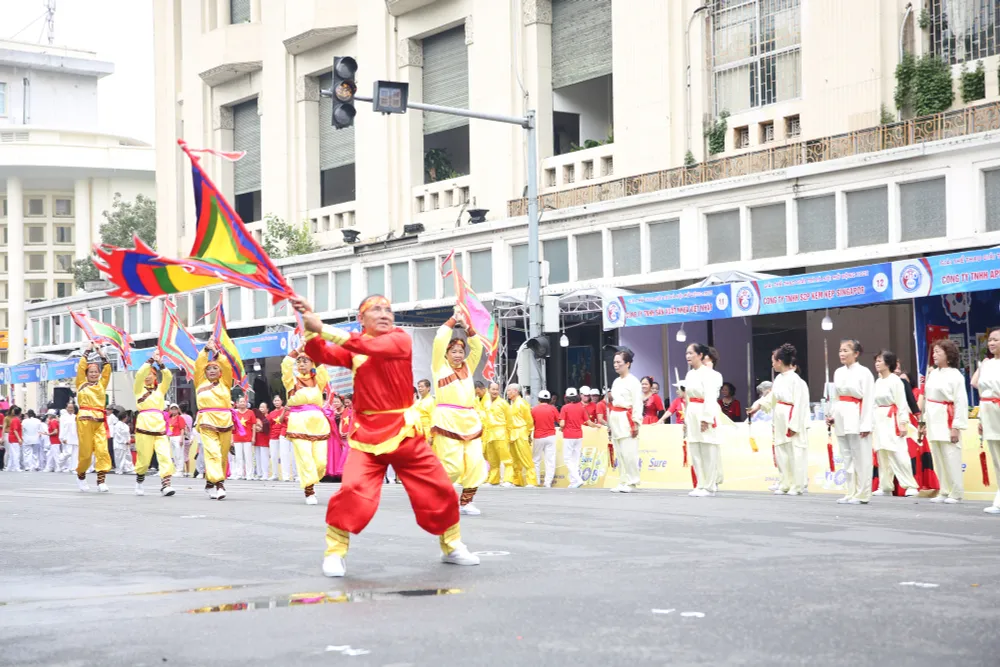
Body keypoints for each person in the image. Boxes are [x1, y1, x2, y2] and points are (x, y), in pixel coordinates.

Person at [293, 294, 478, 578]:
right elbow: (321, 354)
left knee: (439, 488)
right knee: (352, 491)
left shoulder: (399, 339)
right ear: (361, 319)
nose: (384, 314)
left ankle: (452, 545)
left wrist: (323, 327)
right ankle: (335, 552)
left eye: (388, 309)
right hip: (366, 437)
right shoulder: (356, 349)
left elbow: (365, 344)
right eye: (375, 310)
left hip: (406, 432)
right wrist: (307, 324)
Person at [430, 311, 487, 515]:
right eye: (453, 351)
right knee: (451, 465)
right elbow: (439, 340)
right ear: (446, 354)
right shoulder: (439, 367)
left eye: (460, 351)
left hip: (469, 419)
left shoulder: (468, 368)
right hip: (447, 420)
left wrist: (466, 325)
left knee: (475, 462)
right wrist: (453, 319)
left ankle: (466, 502)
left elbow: (478, 347)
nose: (457, 354)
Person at [748, 344, 809, 495]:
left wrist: (794, 424)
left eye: (773, 361)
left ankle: (797, 484)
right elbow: (772, 397)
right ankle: (785, 483)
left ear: (780, 361)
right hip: (780, 416)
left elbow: (801, 404)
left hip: (790, 415)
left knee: (795, 451)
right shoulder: (779, 379)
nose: (772, 364)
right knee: (781, 450)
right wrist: (758, 406)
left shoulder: (796, 380)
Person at [826, 339, 875, 505]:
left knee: (860, 456)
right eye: (840, 350)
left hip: (857, 414)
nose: (842, 354)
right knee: (846, 456)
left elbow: (868, 399)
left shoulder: (864, 372)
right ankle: (850, 491)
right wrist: (832, 414)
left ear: (856, 353)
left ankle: (863, 493)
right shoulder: (838, 372)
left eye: (846, 350)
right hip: (841, 415)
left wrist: (866, 424)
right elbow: (836, 397)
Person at [920, 338, 968, 504]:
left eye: (938, 352)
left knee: (951, 455)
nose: (934, 355)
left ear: (948, 355)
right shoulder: (933, 373)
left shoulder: (956, 376)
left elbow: (961, 402)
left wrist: (956, 426)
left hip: (946, 417)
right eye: (934, 352)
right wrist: (924, 422)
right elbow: (927, 398)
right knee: (938, 456)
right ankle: (944, 489)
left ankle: (956, 491)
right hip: (933, 417)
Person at [282, 346, 331, 504]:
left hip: (318, 423)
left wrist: (312, 348)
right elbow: (286, 365)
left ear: (312, 363)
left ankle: (312, 479)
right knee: (305, 457)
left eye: (306, 360)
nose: (301, 363)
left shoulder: (319, 381)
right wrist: (297, 350)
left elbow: (322, 368)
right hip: (298, 422)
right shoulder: (292, 381)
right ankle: (309, 490)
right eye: (299, 361)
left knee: (321, 462)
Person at [872, 350, 920, 498]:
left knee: (898, 452)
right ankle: (885, 486)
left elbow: (901, 403)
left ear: (888, 363)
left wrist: (903, 422)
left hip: (892, 419)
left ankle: (910, 485)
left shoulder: (895, 381)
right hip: (879, 419)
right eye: (876, 361)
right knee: (882, 453)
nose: (877, 363)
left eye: (880, 360)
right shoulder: (878, 381)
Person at [194, 338, 236, 500]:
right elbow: (198, 365)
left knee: (222, 455)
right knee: (213, 453)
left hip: (225, 420)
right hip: (207, 421)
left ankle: (210, 482)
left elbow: (226, 365)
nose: (211, 371)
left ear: (220, 372)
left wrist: (216, 352)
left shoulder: (225, 383)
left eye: (215, 368)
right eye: (209, 369)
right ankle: (219, 484)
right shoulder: (200, 382)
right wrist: (206, 350)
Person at [134, 353, 176, 496]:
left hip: (159, 427)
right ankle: (139, 479)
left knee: (165, 456)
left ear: (155, 376)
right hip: (144, 426)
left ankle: (166, 484)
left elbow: (169, 377)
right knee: (144, 460)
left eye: (150, 373)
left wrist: (161, 364)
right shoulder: (138, 389)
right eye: (146, 374)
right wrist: (150, 360)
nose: (147, 376)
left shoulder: (160, 390)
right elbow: (139, 374)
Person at [684, 343, 722, 497]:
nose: (687, 356)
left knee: (708, 449)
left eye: (691, 353)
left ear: (700, 355)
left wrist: (707, 418)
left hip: (704, 410)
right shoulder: (689, 374)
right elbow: (687, 398)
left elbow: (711, 397)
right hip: (692, 411)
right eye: (686, 353)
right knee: (695, 448)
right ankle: (700, 483)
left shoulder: (710, 374)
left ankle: (710, 484)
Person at [75, 345, 113, 492]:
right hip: (84, 420)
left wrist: (101, 354)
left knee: (102, 450)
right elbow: (80, 367)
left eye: (96, 372)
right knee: (85, 453)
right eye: (90, 372)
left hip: (99, 422)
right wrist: (87, 351)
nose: (93, 374)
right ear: (86, 373)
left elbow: (108, 370)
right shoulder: (81, 383)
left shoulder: (101, 385)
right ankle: (81, 475)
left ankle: (101, 480)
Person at [972, 327, 1000, 514]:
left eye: (996, 340)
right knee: (996, 458)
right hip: (988, 411)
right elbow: (975, 384)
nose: (991, 343)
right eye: (990, 340)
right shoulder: (987, 364)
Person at [608, 348, 643, 493]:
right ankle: (622, 480)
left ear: (627, 363)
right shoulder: (616, 381)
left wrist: (635, 422)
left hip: (626, 417)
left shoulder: (634, 381)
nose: (616, 365)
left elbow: (637, 403)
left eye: (619, 362)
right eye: (614, 362)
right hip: (615, 416)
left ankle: (632, 481)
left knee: (629, 452)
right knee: (619, 452)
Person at [483, 382, 514, 487]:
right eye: (493, 389)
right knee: (492, 460)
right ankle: (493, 480)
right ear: (488, 390)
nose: (495, 391)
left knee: (506, 459)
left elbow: (509, 420)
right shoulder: (486, 403)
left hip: (501, 433)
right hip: (489, 434)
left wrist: (510, 434)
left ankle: (508, 480)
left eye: (496, 389)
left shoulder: (503, 403)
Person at [506, 384, 536, 487]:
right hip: (513, 433)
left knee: (525, 457)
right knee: (514, 459)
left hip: (521, 431)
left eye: (509, 390)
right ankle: (516, 480)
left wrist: (528, 433)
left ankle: (531, 481)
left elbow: (529, 420)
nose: (508, 392)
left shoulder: (522, 403)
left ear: (515, 391)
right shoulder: (512, 404)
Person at [531, 390, 560, 487]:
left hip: (538, 436)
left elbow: (531, 424)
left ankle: (537, 481)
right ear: (549, 399)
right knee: (550, 460)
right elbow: (559, 421)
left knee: (536, 460)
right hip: (550, 436)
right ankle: (548, 483)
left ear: (539, 399)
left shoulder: (534, 409)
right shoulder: (553, 409)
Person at [559, 387, 587, 489]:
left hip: (568, 435)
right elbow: (588, 421)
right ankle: (573, 482)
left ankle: (578, 479)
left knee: (567, 459)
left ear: (566, 397)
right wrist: (597, 426)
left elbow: (562, 423)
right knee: (575, 460)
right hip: (579, 435)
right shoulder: (581, 407)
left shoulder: (565, 408)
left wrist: (561, 429)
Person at [233, 396, 257, 481]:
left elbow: (254, 425)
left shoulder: (250, 412)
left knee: (248, 457)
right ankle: (239, 474)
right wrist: (232, 439)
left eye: (244, 401)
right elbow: (233, 426)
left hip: (248, 438)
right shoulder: (235, 413)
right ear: (237, 403)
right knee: (239, 457)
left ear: (246, 403)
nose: (242, 403)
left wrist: (253, 437)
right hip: (237, 437)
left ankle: (249, 474)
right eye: (241, 402)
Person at [268, 396, 289, 482]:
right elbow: (267, 424)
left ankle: (286, 475)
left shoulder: (286, 410)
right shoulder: (271, 413)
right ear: (273, 402)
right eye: (275, 400)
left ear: (282, 401)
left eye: (278, 400)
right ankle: (275, 474)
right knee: (273, 456)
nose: (277, 402)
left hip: (284, 434)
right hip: (273, 436)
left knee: (285, 456)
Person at [167, 404, 187, 477]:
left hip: (178, 436)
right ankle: (176, 469)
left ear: (178, 410)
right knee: (174, 454)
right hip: (171, 437)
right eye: (172, 409)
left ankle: (180, 470)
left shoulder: (180, 418)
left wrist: (181, 438)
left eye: (175, 409)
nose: (174, 410)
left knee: (179, 454)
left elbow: (182, 428)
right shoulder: (170, 418)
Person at [254, 401, 271, 481]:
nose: (261, 409)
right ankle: (259, 473)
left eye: (263, 407)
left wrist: (259, 428)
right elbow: (254, 427)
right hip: (257, 439)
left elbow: (265, 429)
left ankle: (265, 474)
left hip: (265, 439)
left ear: (267, 409)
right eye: (260, 407)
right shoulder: (257, 417)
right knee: (257, 457)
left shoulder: (268, 417)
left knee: (264, 457)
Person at [113, 410, 135, 475]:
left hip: (126, 444)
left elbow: (128, 434)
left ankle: (129, 469)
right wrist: (124, 441)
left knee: (128, 456)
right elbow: (118, 435)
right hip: (119, 444)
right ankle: (119, 469)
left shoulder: (125, 425)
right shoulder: (117, 425)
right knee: (119, 458)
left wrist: (129, 440)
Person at [415, 379, 436, 446]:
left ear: (428, 388)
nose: (420, 388)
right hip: (418, 430)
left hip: (427, 430)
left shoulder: (431, 401)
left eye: (422, 386)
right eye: (419, 387)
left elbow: (434, 418)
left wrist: (431, 435)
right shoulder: (417, 401)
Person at [59, 403, 79, 473]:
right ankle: (60, 463)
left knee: (75, 453)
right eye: (69, 408)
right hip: (66, 437)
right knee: (68, 453)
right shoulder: (63, 417)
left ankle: (73, 468)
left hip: (75, 437)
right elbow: (62, 428)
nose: (70, 409)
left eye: (71, 408)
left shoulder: (75, 417)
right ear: (66, 408)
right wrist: (62, 438)